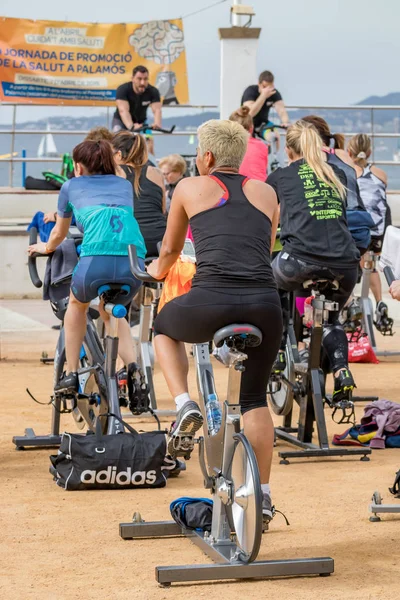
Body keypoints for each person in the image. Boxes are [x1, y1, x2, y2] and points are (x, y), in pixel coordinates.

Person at [145, 119, 282, 523]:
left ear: (206, 156)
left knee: (163, 328)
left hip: (211, 300)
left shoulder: (189, 186)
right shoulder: (267, 191)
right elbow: (266, 246)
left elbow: (170, 250)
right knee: (255, 400)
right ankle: (265, 497)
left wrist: (155, 272)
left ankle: (186, 404)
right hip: (264, 304)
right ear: (238, 157)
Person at [28, 140, 147, 391]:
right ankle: (134, 369)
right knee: (113, 308)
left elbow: (59, 233)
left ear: (78, 166)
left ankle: (71, 374)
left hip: (97, 258)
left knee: (76, 305)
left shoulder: (71, 185)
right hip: (134, 260)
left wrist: (46, 248)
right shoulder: (124, 184)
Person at [268, 120, 360, 406]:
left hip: (299, 261)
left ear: (288, 148)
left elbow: (269, 220)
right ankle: (342, 371)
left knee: (266, 282)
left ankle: (278, 349)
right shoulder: (337, 174)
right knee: (331, 320)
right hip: (346, 265)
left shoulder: (280, 176)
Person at [347, 133, 392, 329]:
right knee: (371, 263)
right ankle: (380, 301)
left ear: (349, 152)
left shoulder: (348, 173)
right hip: (379, 234)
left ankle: (350, 302)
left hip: (358, 235)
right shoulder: (381, 174)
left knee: (346, 263)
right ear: (370, 152)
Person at [112, 131, 167, 257]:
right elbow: (163, 210)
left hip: (130, 243)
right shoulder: (157, 173)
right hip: (160, 241)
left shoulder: (115, 172)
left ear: (119, 154)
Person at [112, 65, 162, 132]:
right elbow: (123, 111)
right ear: (133, 79)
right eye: (139, 79)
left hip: (141, 122)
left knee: (149, 140)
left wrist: (157, 123)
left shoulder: (153, 91)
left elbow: (157, 110)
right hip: (121, 121)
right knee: (117, 135)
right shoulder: (123, 89)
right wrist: (131, 126)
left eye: (145, 79)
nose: (142, 82)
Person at [229, 105, 269, 181]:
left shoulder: (228, 146)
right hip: (260, 188)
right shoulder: (262, 146)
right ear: (251, 128)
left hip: (235, 187)